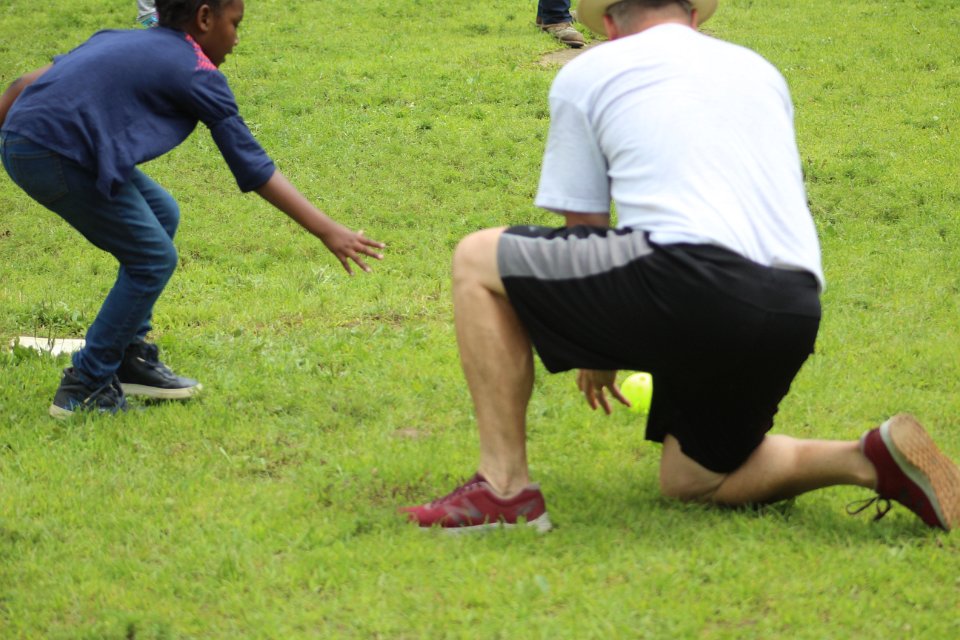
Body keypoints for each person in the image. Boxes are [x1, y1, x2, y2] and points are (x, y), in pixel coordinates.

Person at [401, 0, 960, 533]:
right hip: (792, 305)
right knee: (692, 480)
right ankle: (866, 459)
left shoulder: (590, 70)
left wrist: (597, 348)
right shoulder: (758, 70)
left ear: (609, 25)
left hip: (689, 281)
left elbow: (585, 229)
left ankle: (503, 490)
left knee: (476, 257)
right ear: (692, 15)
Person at [0, 0, 385, 419]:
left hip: (34, 141)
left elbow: (22, 84)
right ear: (204, 18)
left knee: (162, 213)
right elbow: (253, 166)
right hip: (55, 154)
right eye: (234, 24)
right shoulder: (196, 71)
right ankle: (87, 384)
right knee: (152, 259)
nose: (236, 39)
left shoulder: (120, 41)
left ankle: (127, 356)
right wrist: (327, 229)